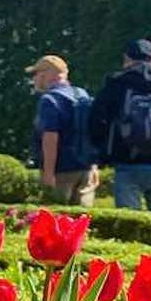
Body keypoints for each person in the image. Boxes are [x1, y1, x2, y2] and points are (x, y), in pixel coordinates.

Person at [88, 39, 151, 213]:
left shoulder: (117, 83)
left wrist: (102, 153)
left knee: (129, 222)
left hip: (127, 162)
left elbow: (97, 120)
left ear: (126, 58)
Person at [25, 54, 98, 205]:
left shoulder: (49, 100)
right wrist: (94, 165)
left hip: (62, 171)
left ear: (45, 74)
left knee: (58, 219)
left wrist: (48, 173)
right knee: (82, 221)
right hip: (86, 169)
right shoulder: (82, 94)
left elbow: (50, 137)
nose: (34, 79)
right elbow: (93, 131)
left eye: (36, 74)